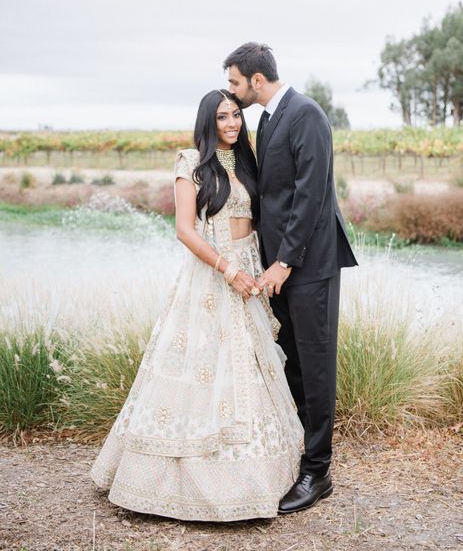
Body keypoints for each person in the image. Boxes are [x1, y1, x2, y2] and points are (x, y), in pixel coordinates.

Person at [90, 89, 304, 521]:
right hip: (213, 273)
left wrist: (264, 268)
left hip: (250, 269)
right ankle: (176, 480)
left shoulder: (247, 163)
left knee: (251, 364)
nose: (231, 124)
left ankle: (260, 476)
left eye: (236, 116)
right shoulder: (192, 162)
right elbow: (185, 231)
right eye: (223, 117)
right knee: (203, 365)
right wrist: (229, 269)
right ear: (208, 121)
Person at [224, 43, 358, 514]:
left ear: (257, 81)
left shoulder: (307, 115)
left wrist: (284, 261)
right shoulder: (268, 118)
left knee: (316, 364)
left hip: (311, 263)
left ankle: (318, 472)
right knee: (295, 360)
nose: (232, 90)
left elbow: (311, 194)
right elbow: (275, 193)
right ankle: (298, 454)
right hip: (282, 264)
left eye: (235, 82)